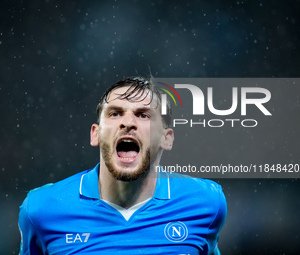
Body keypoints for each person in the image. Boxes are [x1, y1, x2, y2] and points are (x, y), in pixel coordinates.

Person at [18, 76, 227, 255]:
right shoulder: (42, 208)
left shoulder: (205, 202)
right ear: (95, 134)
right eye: (115, 113)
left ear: (166, 138)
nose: (127, 122)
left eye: (143, 115)